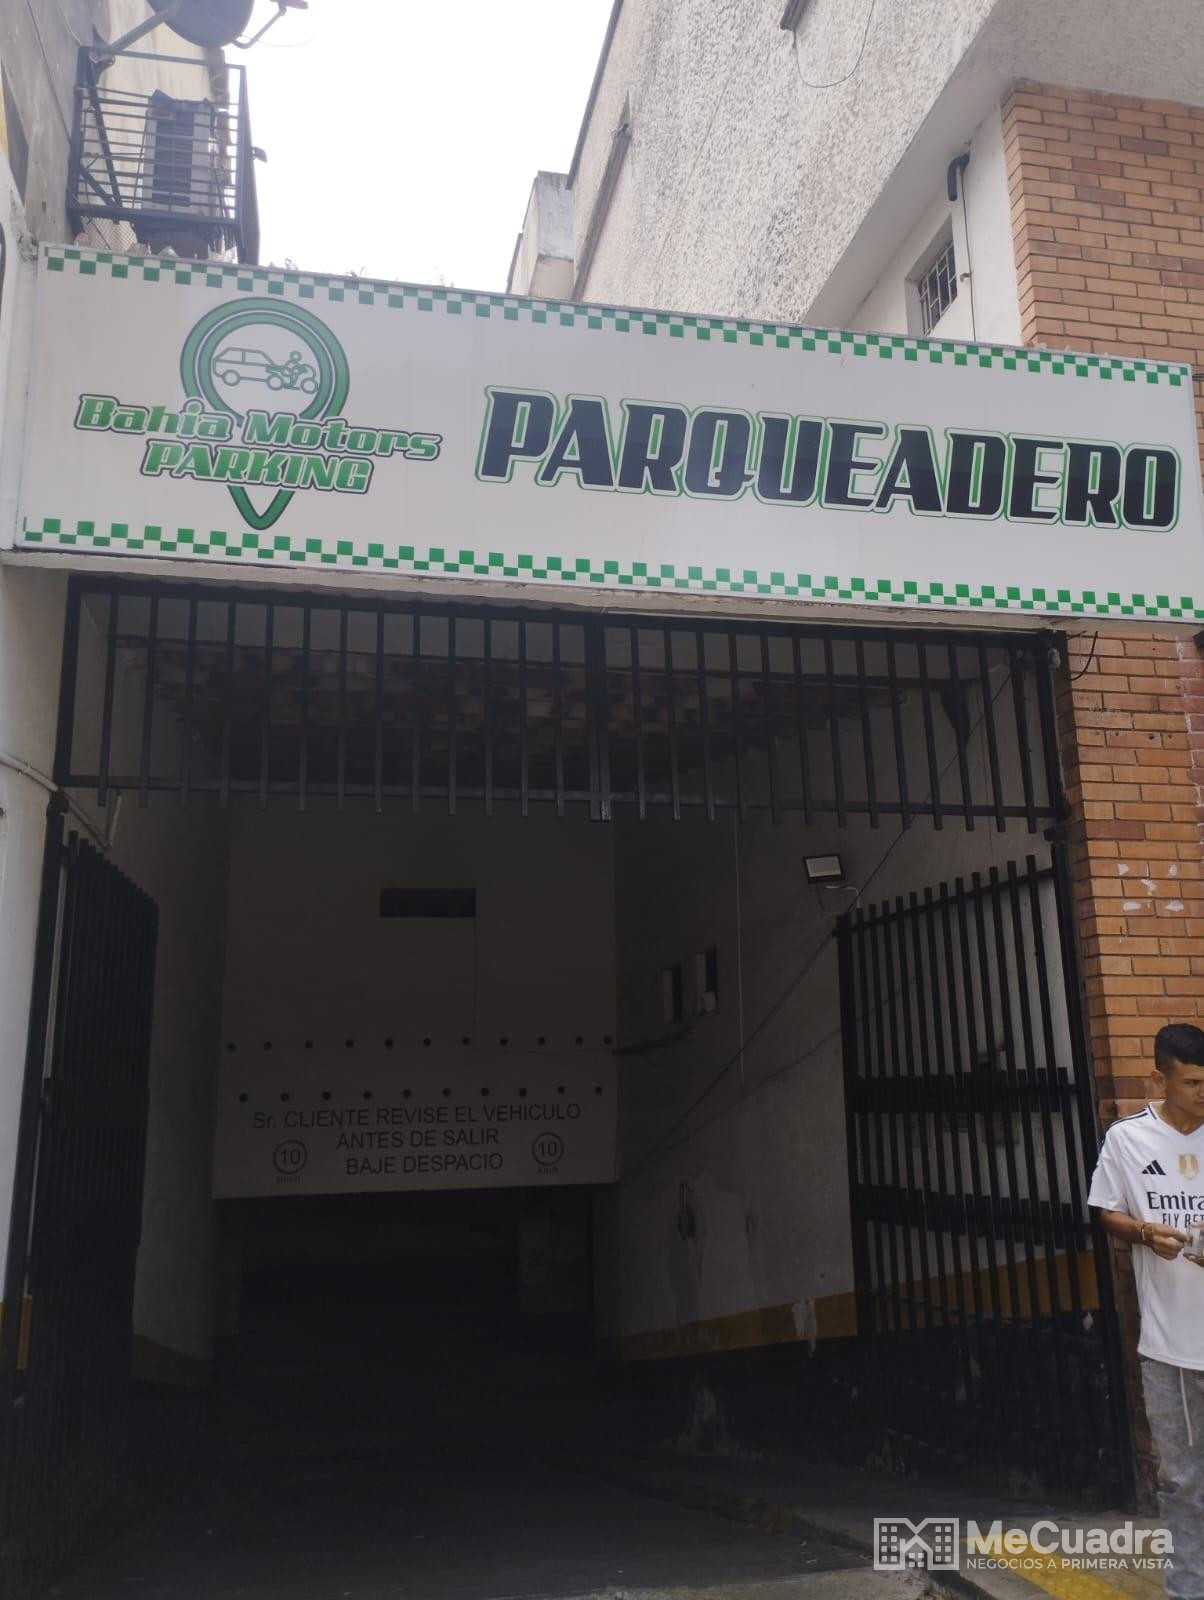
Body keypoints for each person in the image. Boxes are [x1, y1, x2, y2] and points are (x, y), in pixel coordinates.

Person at [1088, 1022, 1204, 1600]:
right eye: (1192, 1083)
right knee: (1182, 1479)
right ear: (1159, 1080)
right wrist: (1143, 1232)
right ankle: (1188, 1589)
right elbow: (1105, 1210)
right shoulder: (1127, 1139)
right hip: (1171, 1346)